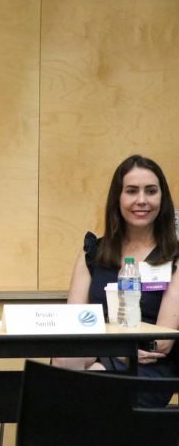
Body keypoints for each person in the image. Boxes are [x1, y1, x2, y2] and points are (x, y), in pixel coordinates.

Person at [53, 155, 179, 407]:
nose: (141, 200)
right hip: (98, 353)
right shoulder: (94, 251)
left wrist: (109, 352)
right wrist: (110, 350)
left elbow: (161, 343)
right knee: (62, 363)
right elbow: (73, 324)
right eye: (132, 191)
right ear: (118, 198)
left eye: (151, 191)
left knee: (90, 381)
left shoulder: (175, 255)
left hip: (148, 369)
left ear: (162, 199)